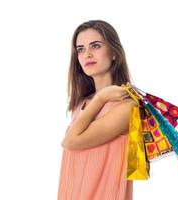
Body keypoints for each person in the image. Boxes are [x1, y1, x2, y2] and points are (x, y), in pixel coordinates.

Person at [57, 20, 137, 200]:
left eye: (95, 46)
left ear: (115, 53)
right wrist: (97, 100)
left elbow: (70, 142)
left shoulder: (127, 106)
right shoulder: (81, 105)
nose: (87, 54)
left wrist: (100, 98)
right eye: (80, 49)